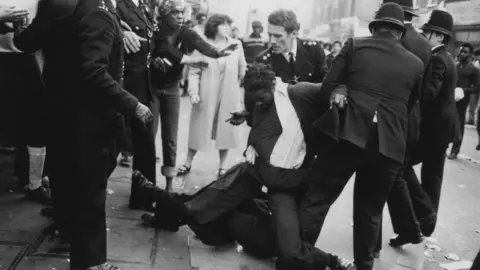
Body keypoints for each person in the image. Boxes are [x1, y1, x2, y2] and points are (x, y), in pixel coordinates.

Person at [141, 62, 355, 270]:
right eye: (255, 102)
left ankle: (332, 261)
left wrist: (341, 90)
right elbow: (263, 112)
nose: (259, 105)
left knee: (289, 248)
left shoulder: (299, 93)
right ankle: (161, 210)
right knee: (198, 204)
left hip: (284, 184)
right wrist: (246, 115)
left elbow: (332, 85)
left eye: (261, 99)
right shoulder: (259, 101)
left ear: (271, 86)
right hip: (252, 172)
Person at [14, 0, 153, 269]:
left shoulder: (70, 6)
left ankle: (71, 233)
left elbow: (31, 42)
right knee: (91, 192)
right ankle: (91, 262)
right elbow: (94, 71)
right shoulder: (98, 11)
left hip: (63, 111)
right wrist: (133, 105)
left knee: (70, 182)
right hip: (91, 119)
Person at [299, 3, 424, 270]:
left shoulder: (355, 46)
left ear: (375, 27)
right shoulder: (415, 64)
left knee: (318, 198)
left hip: (348, 136)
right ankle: (364, 266)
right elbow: (410, 104)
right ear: (400, 33)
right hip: (388, 147)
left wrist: (344, 89)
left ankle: (297, 258)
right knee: (370, 212)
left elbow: (326, 89)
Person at [149, 0, 238, 191]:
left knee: (171, 137)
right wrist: (191, 60)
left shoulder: (185, 32)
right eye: (175, 13)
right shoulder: (157, 30)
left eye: (182, 13)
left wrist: (218, 52)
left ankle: (169, 187)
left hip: (172, 88)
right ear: (165, 14)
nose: (180, 17)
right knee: (149, 133)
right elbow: (166, 49)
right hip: (152, 88)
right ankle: (146, 184)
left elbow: (201, 44)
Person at [372, 0, 432, 256]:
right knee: (397, 173)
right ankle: (419, 219)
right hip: (412, 116)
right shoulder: (423, 42)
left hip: (394, 118)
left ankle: (408, 227)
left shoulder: (397, 38)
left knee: (386, 175)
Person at [177, 14, 247, 177]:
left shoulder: (236, 45)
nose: (227, 28)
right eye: (223, 25)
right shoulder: (203, 45)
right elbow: (194, 71)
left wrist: (241, 82)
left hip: (228, 94)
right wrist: (193, 92)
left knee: (226, 131)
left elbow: (242, 68)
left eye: (229, 24)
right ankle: (187, 162)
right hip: (206, 94)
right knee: (198, 130)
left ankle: (222, 166)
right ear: (213, 27)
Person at [411, 9, 459, 237]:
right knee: (433, 176)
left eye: (428, 33)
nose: (425, 37)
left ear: (439, 36)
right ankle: (426, 221)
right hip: (443, 129)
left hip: (434, 130)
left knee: (408, 169)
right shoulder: (448, 58)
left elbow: (428, 95)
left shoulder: (438, 59)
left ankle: (425, 218)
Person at [116, 0, 158, 210]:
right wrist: (120, 30)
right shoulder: (117, 4)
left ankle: (144, 197)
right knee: (108, 146)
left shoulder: (143, 5)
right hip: (120, 85)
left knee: (145, 146)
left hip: (141, 85)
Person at [256, 9, 327, 83]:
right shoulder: (263, 61)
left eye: (278, 36)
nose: (272, 41)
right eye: (269, 35)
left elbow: (325, 83)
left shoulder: (313, 49)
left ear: (294, 33)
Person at [449, 42, 480, 159]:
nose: (461, 53)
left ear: (471, 54)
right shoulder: (455, 65)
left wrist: (463, 90)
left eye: (464, 52)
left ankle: (455, 150)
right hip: (450, 98)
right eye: (461, 51)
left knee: (459, 124)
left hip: (462, 100)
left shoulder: (474, 70)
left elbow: (477, 87)